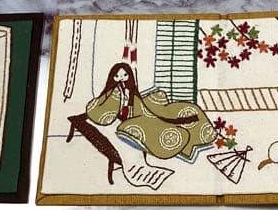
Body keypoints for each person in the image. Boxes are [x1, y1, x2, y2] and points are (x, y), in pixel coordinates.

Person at [83, 62, 215, 162]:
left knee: (182, 110)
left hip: (140, 111)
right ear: (113, 77)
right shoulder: (113, 92)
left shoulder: (130, 89)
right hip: (129, 117)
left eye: (125, 75)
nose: (121, 78)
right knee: (151, 127)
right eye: (117, 76)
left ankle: (193, 128)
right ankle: (174, 135)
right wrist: (118, 97)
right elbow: (105, 110)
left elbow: (138, 103)